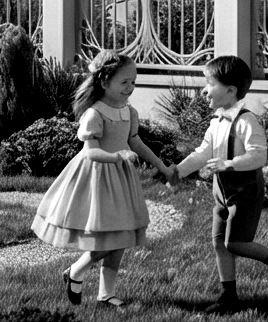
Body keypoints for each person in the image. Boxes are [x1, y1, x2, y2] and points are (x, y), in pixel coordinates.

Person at [31, 50, 173, 307]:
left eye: (133, 82)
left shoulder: (128, 112)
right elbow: (91, 152)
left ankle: (106, 294)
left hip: (120, 179)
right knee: (108, 239)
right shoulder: (95, 114)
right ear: (105, 81)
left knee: (122, 237)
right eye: (124, 82)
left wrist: (162, 166)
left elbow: (136, 142)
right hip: (97, 179)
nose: (130, 88)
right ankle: (75, 271)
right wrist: (118, 156)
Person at [175, 54, 268, 312]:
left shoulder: (246, 121)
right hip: (222, 190)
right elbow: (203, 152)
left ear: (230, 90)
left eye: (210, 84)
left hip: (245, 189)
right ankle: (229, 297)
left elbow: (259, 155)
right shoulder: (216, 121)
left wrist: (230, 164)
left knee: (235, 243)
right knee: (219, 242)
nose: (204, 90)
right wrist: (178, 171)